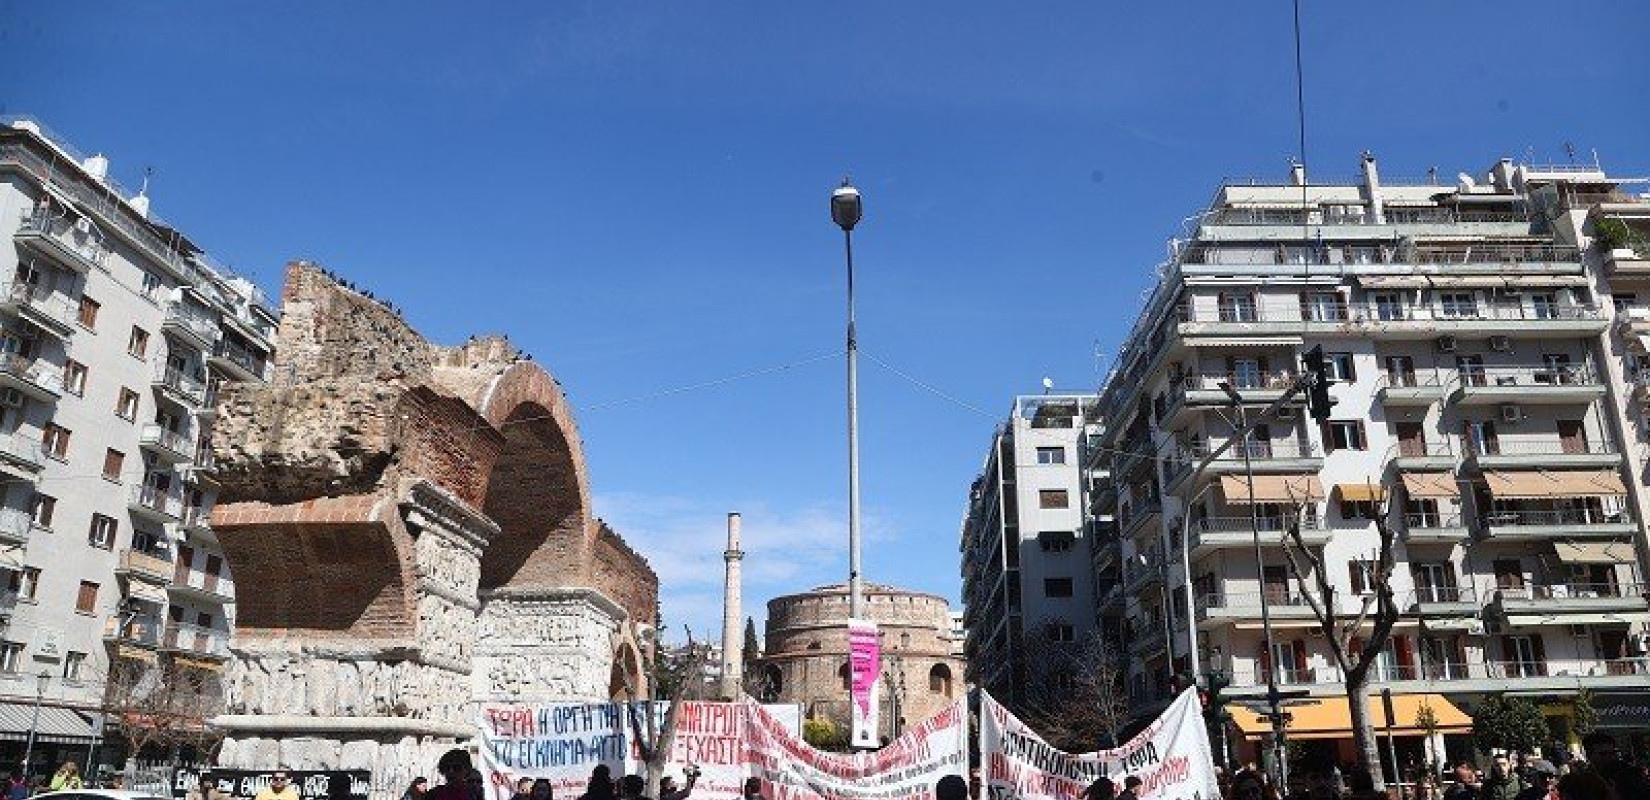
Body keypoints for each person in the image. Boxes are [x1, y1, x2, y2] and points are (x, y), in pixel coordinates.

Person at [1582, 732, 1649, 800]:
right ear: (1589, 755)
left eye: (1612, 753)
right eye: (1603, 754)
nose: (1610, 757)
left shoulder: (1629, 772)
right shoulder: (1584, 779)